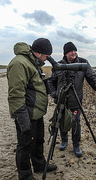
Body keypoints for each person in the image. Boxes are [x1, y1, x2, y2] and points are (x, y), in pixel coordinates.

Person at [48, 42, 96, 157]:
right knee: (62, 122)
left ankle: (76, 145)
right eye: (71, 51)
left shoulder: (83, 63)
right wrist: (54, 94)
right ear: (65, 53)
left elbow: (92, 78)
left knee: (75, 122)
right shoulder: (58, 65)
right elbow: (51, 81)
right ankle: (64, 141)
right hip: (62, 102)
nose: (74, 53)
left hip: (75, 103)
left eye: (75, 50)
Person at [7, 38, 57, 180]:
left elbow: (35, 86)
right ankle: (25, 175)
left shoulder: (32, 63)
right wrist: (23, 121)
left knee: (38, 140)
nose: (47, 60)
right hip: (26, 113)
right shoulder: (19, 64)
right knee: (25, 145)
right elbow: (16, 95)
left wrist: (53, 81)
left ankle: (40, 165)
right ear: (39, 53)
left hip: (36, 112)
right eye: (47, 56)